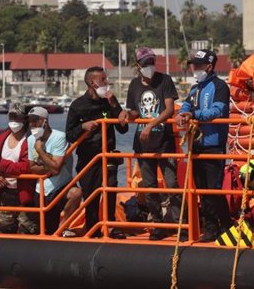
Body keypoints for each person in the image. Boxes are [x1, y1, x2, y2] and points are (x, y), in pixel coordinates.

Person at [126, 47, 183, 241]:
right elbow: (134, 111)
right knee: (149, 187)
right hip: (143, 145)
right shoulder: (134, 85)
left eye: (152, 62)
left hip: (163, 141)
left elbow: (169, 110)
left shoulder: (164, 80)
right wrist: (126, 115)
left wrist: (151, 125)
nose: (149, 66)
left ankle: (179, 224)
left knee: (172, 184)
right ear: (138, 66)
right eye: (145, 63)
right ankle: (157, 224)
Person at [175, 49, 232, 242]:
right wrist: (182, 115)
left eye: (198, 65)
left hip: (213, 143)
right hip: (196, 144)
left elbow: (218, 110)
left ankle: (226, 225)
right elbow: (186, 105)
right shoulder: (195, 88)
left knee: (213, 189)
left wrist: (195, 116)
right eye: (193, 65)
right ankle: (210, 228)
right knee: (201, 189)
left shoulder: (220, 86)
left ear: (209, 66)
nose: (194, 69)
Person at [66, 66, 129, 239]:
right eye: (103, 79)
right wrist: (82, 127)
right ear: (93, 83)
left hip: (107, 154)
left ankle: (111, 226)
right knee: (91, 194)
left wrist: (115, 105)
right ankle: (93, 229)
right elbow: (69, 135)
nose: (106, 82)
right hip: (87, 156)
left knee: (110, 187)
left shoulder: (109, 101)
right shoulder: (78, 105)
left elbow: (123, 129)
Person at [0, 103, 38, 234]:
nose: (14, 122)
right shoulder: (1, 138)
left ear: (25, 120)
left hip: (26, 193)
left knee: (27, 229)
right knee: (3, 229)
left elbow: (27, 167)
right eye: (11, 117)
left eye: (17, 118)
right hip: (5, 193)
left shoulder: (32, 140)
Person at [28, 106, 83, 236]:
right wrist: (49, 165)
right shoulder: (31, 140)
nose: (32, 124)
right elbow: (32, 168)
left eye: (36, 120)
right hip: (42, 189)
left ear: (45, 121)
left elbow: (56, 169)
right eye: (30, 121)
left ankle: (64, 226)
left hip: (62, 185)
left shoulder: (60, 137)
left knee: (76, 193)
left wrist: (40, 151)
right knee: (47, 229)